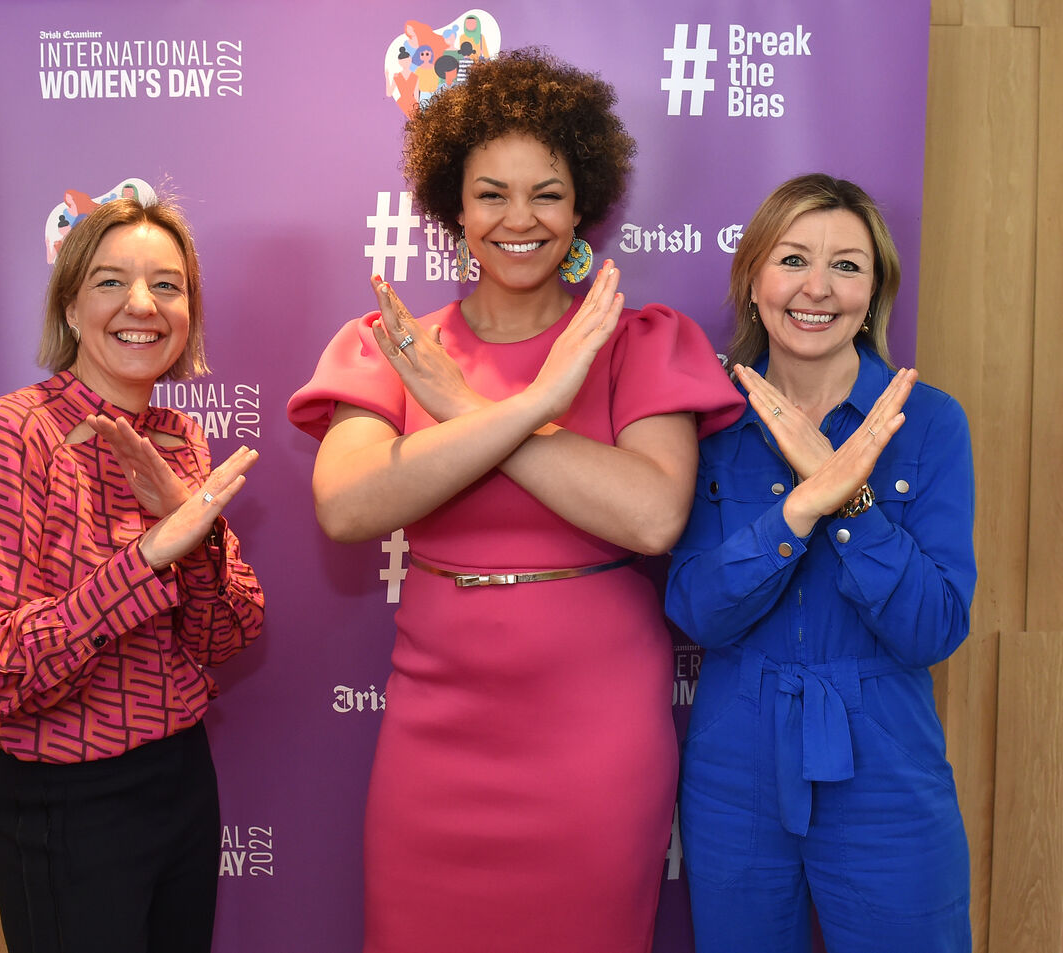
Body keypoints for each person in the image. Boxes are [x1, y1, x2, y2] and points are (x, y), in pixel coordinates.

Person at [288, 48, 743, 953]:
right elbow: (346, 506)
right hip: (435, 739)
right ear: (454, 208)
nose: (519, 218)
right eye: (491, 192)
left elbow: (651, 514)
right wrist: (530, 404)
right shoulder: (394, 347)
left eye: (547, 192)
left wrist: (469, 414)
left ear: (582, 208)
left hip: (595, 743)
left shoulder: (638, 344)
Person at [0, 197, 266, 953]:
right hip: (67, 801)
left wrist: (200, 543)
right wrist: (145, 560)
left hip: (181, 778)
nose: (142, 306)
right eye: (111, 281)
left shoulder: (180, 435)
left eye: (168, 284)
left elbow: (228, 635)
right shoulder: (12, 433)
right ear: (71, 304)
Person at [665, 173, 974, 953]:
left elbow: (934, 626)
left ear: (873, 293)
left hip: (886, 768)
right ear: (754, 281)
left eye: (847, 266)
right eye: (793, 258)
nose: (817, 288)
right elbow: (697, 608)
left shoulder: (928, 421)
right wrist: (800, 508)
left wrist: (852, 501)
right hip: (736, 769)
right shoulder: (711, 425)